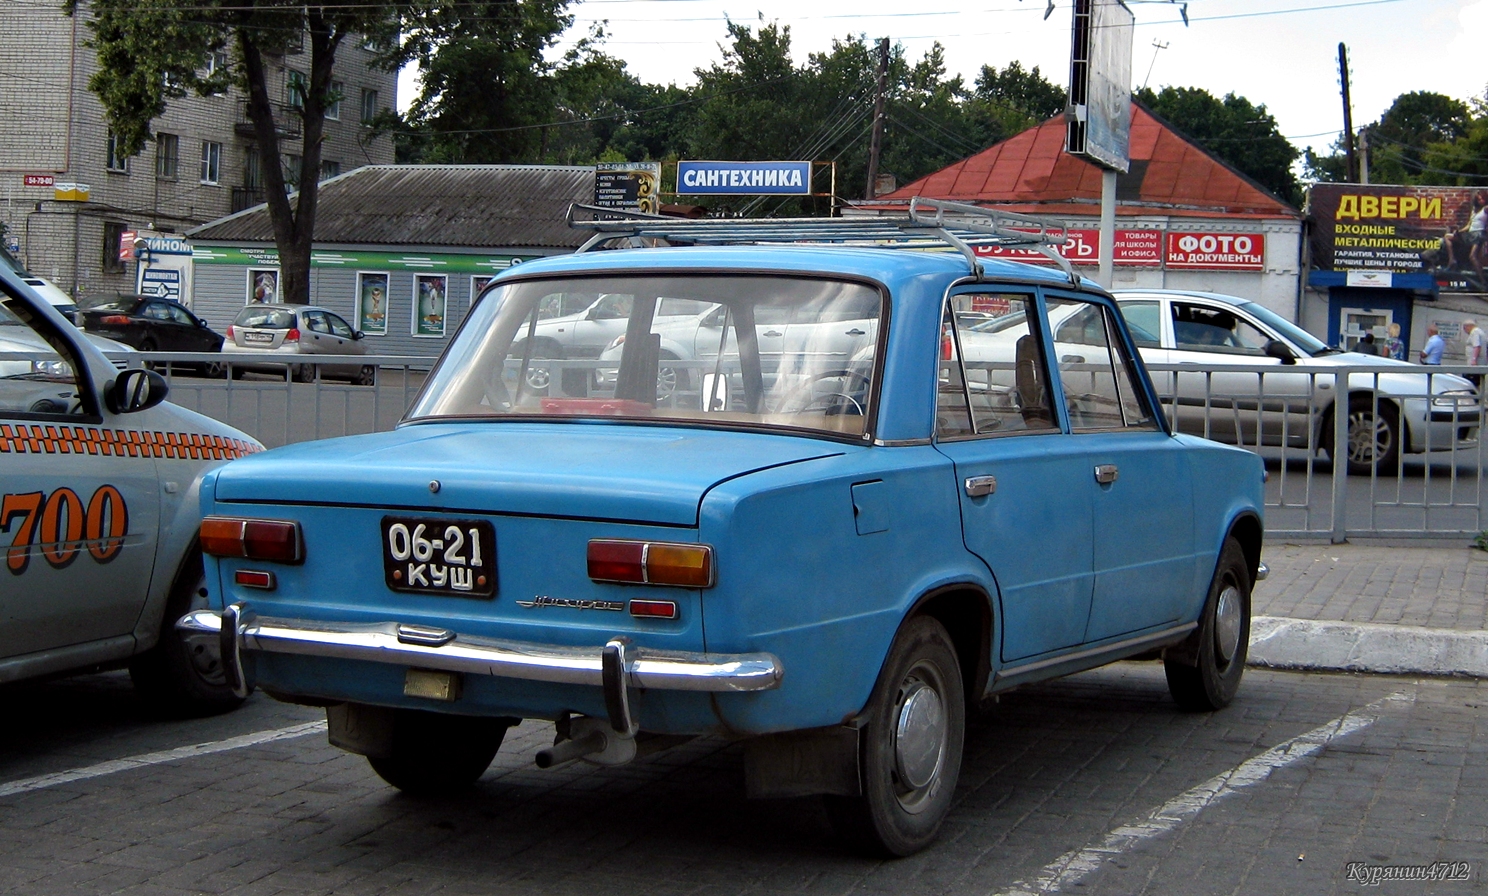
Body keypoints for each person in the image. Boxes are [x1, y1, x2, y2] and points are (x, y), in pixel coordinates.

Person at [1464, 319, 1484, 385]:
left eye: (1465, 327)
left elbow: (1477, 346)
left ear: (1469, 326)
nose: (1465, 330)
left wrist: (1474, 360)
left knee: (1469, 380)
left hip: (1475, 364)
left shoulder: (1474, 332)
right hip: (1481, 363)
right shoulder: (1480, 331)